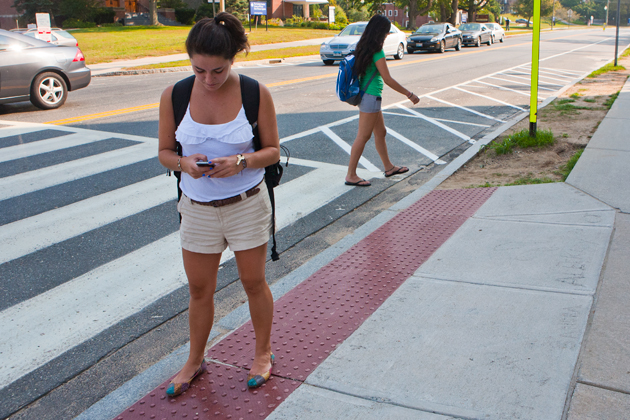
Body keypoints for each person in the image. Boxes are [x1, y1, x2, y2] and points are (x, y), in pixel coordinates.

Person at [158, 12, 280, 395]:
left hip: (246, 203)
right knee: (198, 289)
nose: (208, 80)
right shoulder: (174, 95)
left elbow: (273, 151)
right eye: (199, 71)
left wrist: (240, 161)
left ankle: (263, 354)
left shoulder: (255, 92)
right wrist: (184, 164)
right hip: (196, 208)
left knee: (253, 282)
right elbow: (164, 152)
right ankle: (195, 360)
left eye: (218, 71)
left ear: (234, 59)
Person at [345, 14, 420, 187]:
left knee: (381, 132)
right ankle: (351, 175)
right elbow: (387, 78)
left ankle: (389, 167)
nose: (387, 36)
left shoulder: (363, 47)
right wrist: (409, 94)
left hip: (369, 96)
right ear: (380, 32)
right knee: (363, 137)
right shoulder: (377, 51)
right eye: (386, 33)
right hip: (370, 97)